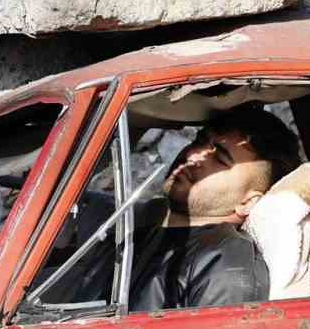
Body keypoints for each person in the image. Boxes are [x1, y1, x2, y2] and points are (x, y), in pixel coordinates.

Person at [128, 107, 299, 311]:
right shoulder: (142, 227)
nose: (192, 155)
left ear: (248, 202)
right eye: (199, 141)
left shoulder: (225, 264)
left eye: (220, 159)